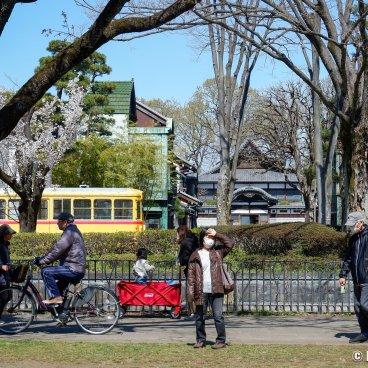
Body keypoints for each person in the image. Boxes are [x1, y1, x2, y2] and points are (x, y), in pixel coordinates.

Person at [187, 227, 234, 349]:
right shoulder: (195, 255)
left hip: (216, 289)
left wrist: (217, 234)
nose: (210, 239)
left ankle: (221, 340)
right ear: (202, 238)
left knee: (218, 316)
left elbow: (230, 243)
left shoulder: (218, 252)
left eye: (212, 238)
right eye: (208, 237)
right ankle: (200, 340)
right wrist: (190, 293)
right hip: (201, 290)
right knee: (200, 317)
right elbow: (191, 277)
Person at [34, 212, 87, 304]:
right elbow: (58, 252)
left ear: (65, 222)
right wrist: (45, 260)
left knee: (46, 271)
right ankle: (63, 313)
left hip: (73, 269)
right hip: (75, 267)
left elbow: (57, 250)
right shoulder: (73, 231)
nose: (57, 223)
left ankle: (56, 298)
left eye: (58, 221)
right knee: (58, 288)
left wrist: (42, 261)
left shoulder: (69, 233)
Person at [339, 211, 368, 343]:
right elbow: (348, 258)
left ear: (361, 223)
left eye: (353, 225)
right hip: (357, 279)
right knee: (357, 308)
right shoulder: (353, 239)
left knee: (365, 305)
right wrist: (343, 275)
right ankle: (365, 333)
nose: (351, 228)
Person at [177, 225, 198, 320]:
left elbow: (183, 258)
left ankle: (191, 313)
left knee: (190, 290)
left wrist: (180, 261)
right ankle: (199, 312)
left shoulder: (185, 243)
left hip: (190, 268)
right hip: (200, 267)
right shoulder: (195, 239)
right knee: (198, 289)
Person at [0, 224, 16, 324]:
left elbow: (6, 259)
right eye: (10, 234)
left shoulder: (5, 244)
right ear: (4, 234)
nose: (11, 235)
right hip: (1, 275)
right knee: (4, 296)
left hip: (5, 275)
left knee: (8, 296)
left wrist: (10, 265)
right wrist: (1, 265)